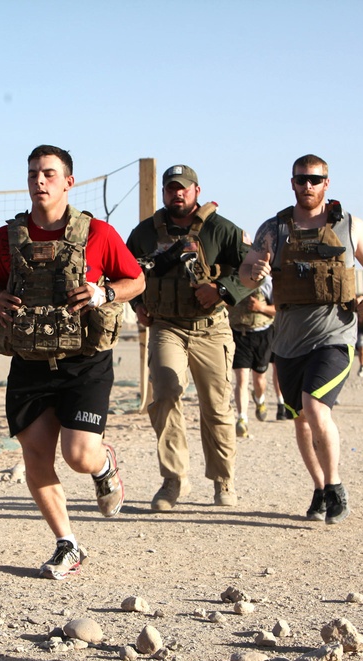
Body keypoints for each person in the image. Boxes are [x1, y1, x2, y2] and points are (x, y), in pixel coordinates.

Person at [0, 145, 144, 580]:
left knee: (78, 455)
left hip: (83, 361)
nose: (39, 181)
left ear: (69, 182)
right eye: (33, 173)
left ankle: (103, 464)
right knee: (35, 455)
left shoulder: (99, 234)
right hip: (30, 361)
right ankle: (67, 543)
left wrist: (103, 293)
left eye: (49, 174)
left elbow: (136, 279)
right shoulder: (6, 238)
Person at [240, 154, 363, 525]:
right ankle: (320, 488)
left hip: (335, 334)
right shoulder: (273, 228)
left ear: (327, 183)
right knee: (301, 419)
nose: (308, 186)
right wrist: (254, 270)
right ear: (292, 183)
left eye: (315, 180)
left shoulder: (350, 225)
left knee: (315, 407)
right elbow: (246, 274)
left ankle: (335, 486)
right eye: (301, 179)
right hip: (288, 340)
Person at [126, 165, 251, 511]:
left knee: (217, 407)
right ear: (163, 193)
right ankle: (172, 479)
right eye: (170, 189)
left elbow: (252, 268)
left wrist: (223, 291)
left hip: (211, 328)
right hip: (166, 326)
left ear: (196, 190)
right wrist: (138, 304)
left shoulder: (222, 229)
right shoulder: (145, 233)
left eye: (183, 188)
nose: (176, 194)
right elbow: (127, 271)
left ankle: (223, 479)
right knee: (164, 393)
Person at [228, 275, 277, 437]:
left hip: (262, 334)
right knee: (241, 379)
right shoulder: (232, 279)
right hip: (239, 334)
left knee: (259, 379)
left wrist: (261, 308)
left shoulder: (266, 282)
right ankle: (242, 418)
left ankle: (260, 399)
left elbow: (279, 308)